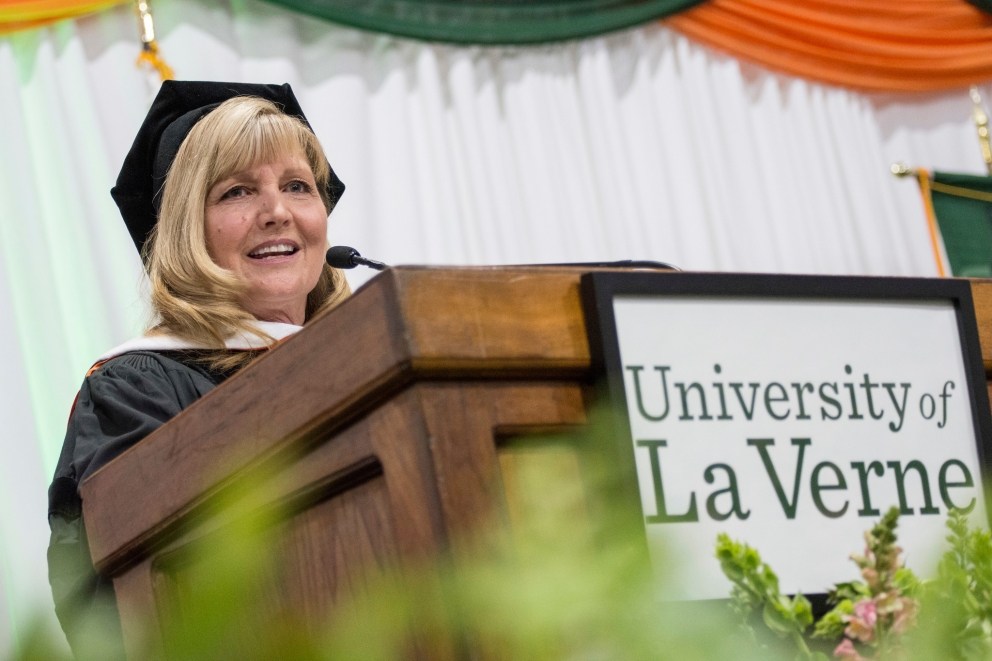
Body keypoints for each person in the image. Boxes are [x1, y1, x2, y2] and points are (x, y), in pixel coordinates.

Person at [46, 81, 351, 658]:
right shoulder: (135, 389)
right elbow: (135, 602)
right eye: (237, 191)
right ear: (186, 230)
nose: (278, 212)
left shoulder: (368, 359)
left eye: (297, 186)